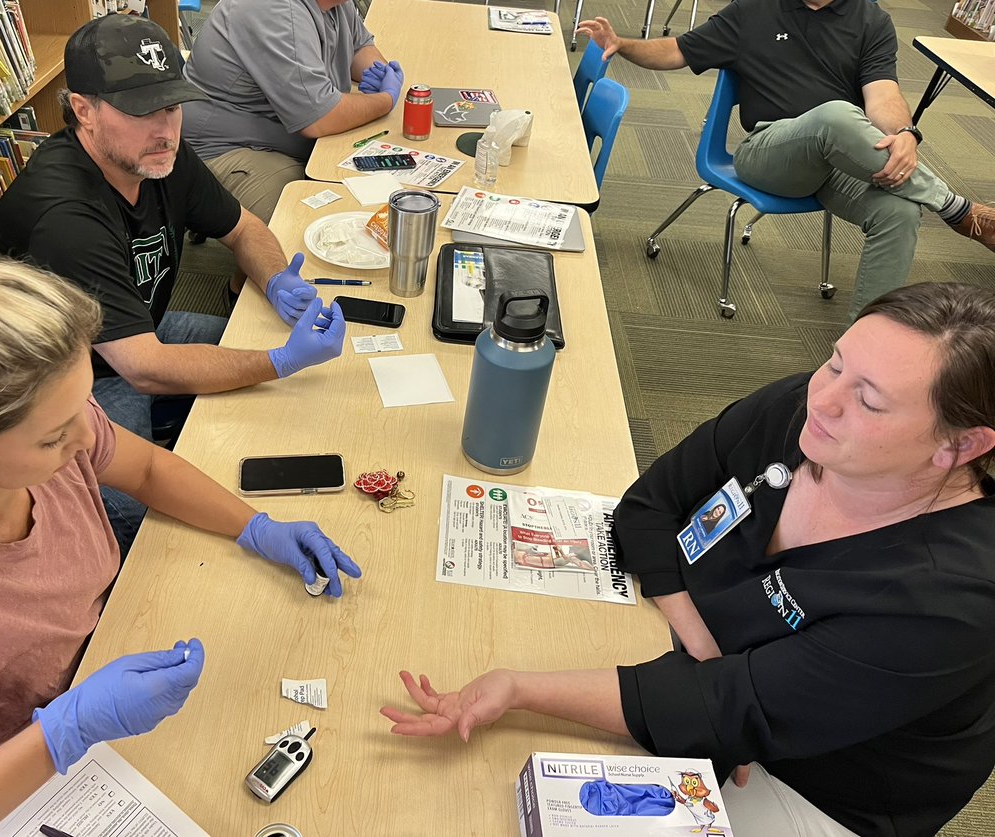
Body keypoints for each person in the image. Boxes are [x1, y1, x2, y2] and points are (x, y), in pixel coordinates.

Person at [382, 281, 995, 836]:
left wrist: (516, 686)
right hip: (710, 684)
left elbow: (729, 710)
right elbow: (647, 507)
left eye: (870, 401)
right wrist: (704, 651)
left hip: (820, 784)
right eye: (833, 362)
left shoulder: (947, 597)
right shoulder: (808, 415)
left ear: (961, 445)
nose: (824, 399)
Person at [0, 257, 361, 835]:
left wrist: (255, 526)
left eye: (82, 407)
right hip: (14, 787)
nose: (85, 437)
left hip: (99, 677)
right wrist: (62, 732)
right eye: (53, 435)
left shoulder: (47, 439)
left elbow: (143, 468)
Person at [0, 14, 346, 553]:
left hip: (137, 329)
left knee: (283, 383)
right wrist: (277, 361)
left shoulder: (156, 154)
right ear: (82, 110)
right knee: (129, 521)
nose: (166, 128)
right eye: (141, 110)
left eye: (173, 105)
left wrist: (273, 281)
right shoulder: (65, 217)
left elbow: (244, 227)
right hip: (65, 380)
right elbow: (146, 368)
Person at [577, 6, 995, 318]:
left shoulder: (871, 20)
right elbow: (676, 50)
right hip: (767, 151)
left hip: (835, 162)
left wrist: (904, 134)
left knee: (900, 209)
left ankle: (868, 341)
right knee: (835, 114)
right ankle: (958, 209)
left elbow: (882, 95)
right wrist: (624, 45)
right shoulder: (754, 10)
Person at [180, 0, 403, 299]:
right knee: (299, 229)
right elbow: (319, 118)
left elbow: (359, 46)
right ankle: (238, 293)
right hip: (222, 148)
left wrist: (379, 72)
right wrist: (385, 100)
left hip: (282, 133)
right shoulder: (272, 9)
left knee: (361, 199)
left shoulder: (333, 3)